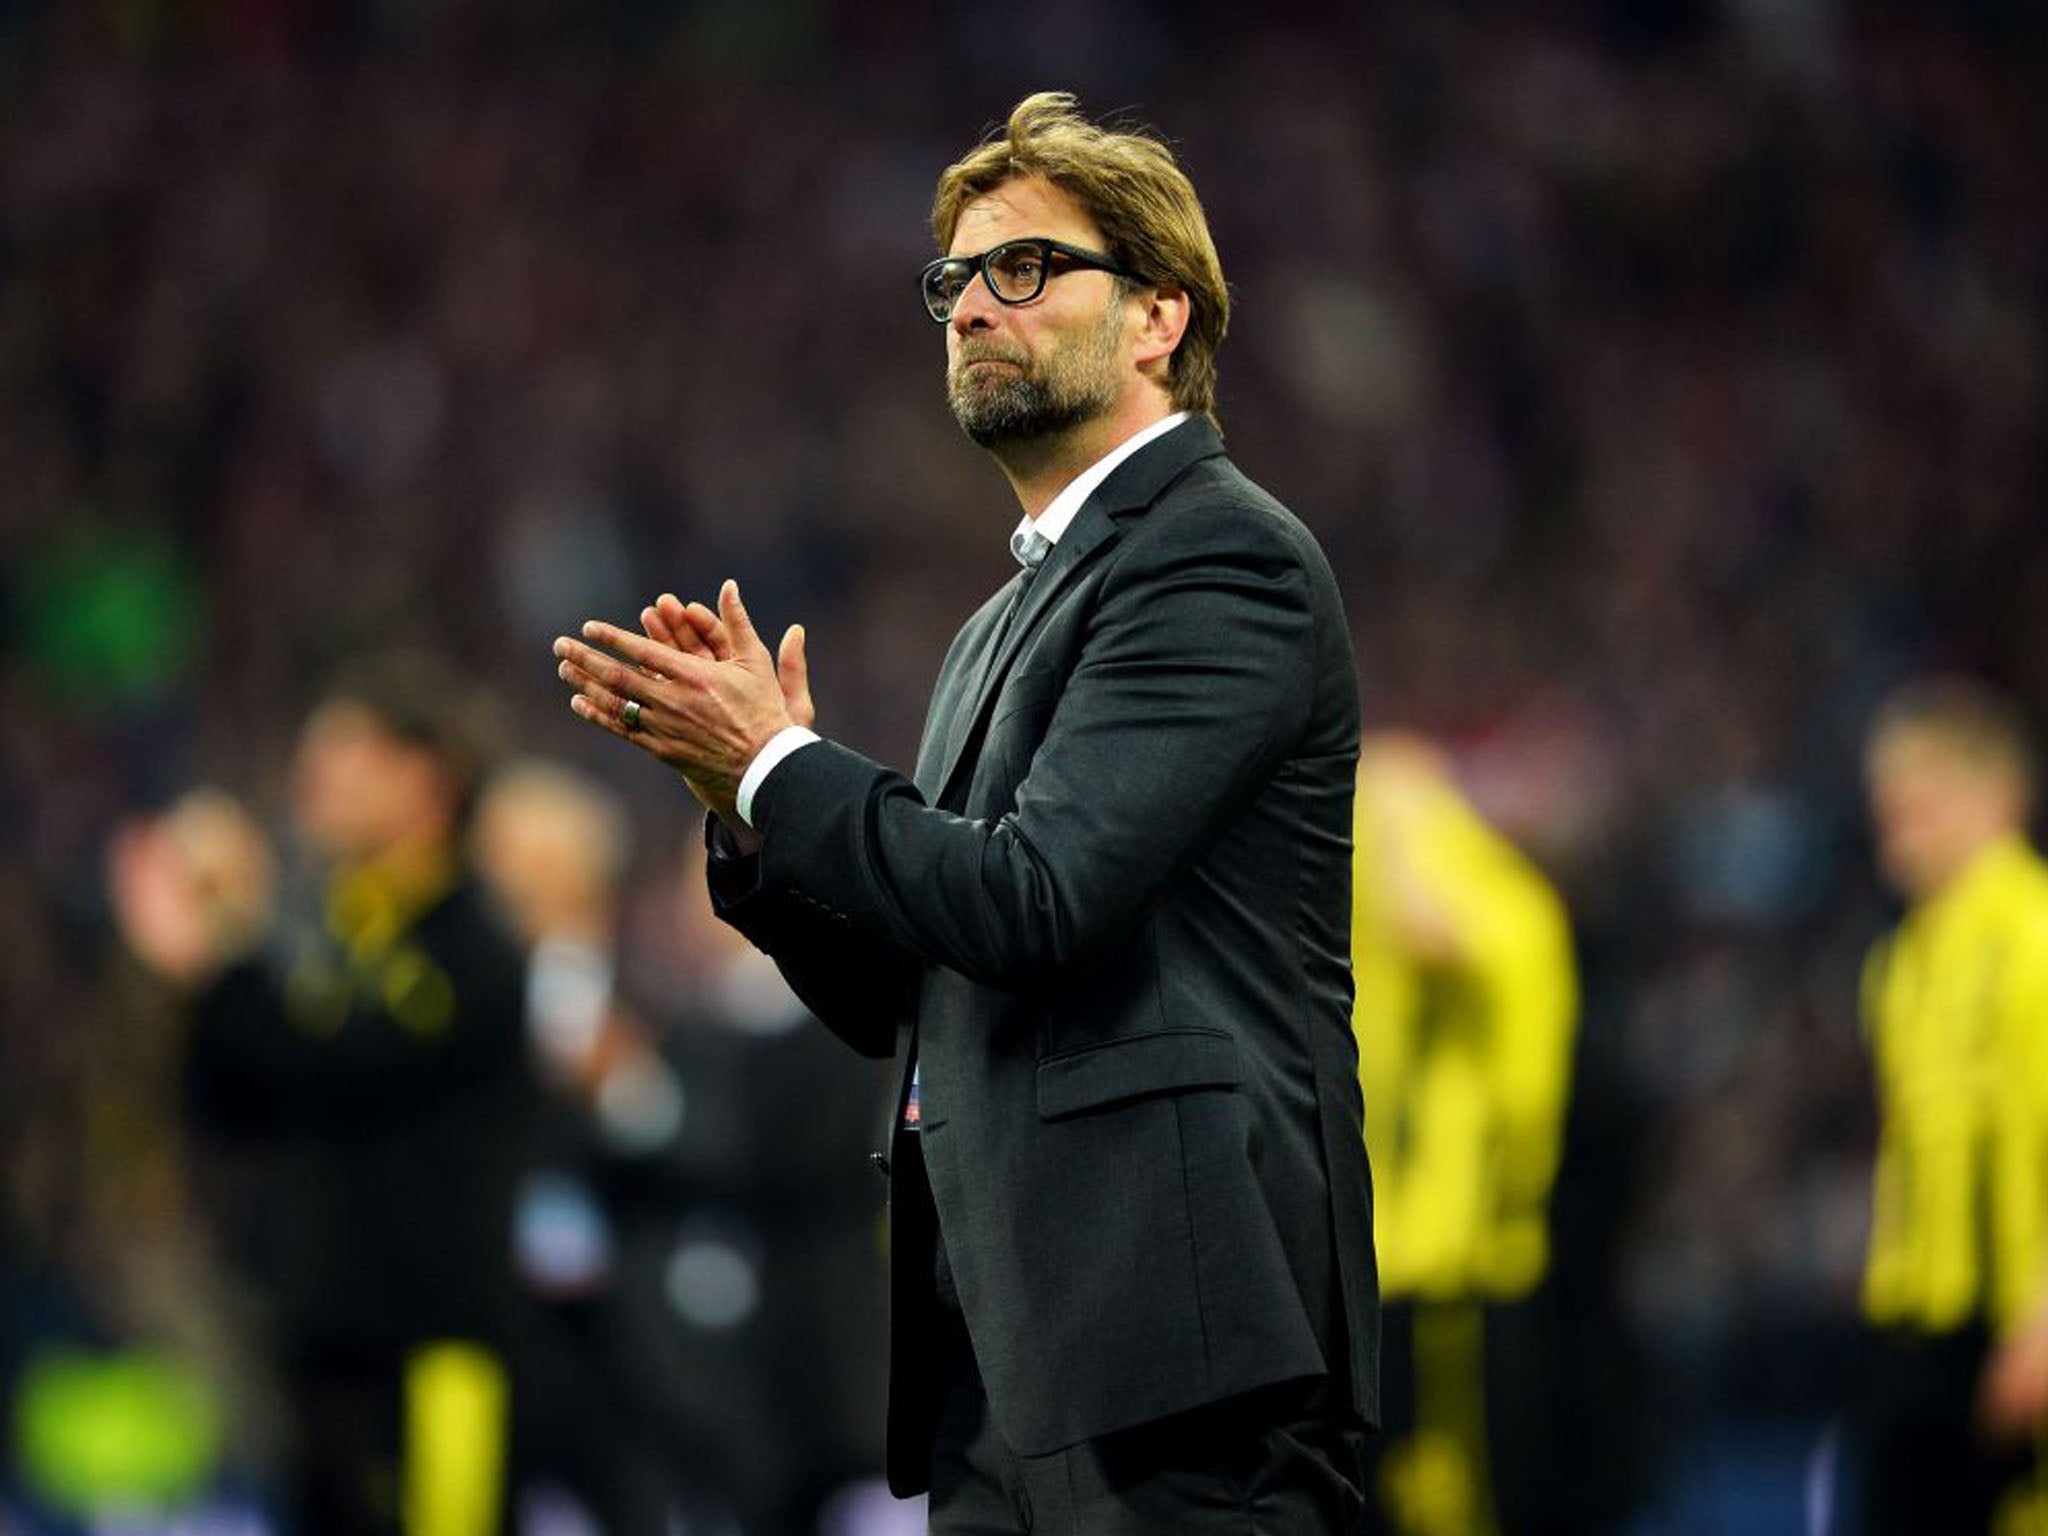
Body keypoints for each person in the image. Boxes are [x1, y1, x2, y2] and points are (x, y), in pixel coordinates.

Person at [551, 91, 1378, 1532]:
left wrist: (779, 770)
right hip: (1008, 1355)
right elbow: (913, 991)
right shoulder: (997, 625)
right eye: (951, 281)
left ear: (1157, 317)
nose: (971, 308)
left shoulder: (1221, 558)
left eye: (1025, 267)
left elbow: (1037, 899)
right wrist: (747, 812)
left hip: (1180, 1352)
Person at [109, 653, 535, 1536]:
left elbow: (340, 1067)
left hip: (433, 1364)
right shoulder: (335, 939)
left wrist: (223, 958)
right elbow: (236, 1105)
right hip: (322, 1353)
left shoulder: (472, 948)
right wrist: (201, 974)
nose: (312, 780)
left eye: (344, 757)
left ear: (427, 780)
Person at [1348, 736, 1576, 1536]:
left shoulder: (1496, 909)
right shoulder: (1381, 937)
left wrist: (1404, 836)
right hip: (1393, 1258)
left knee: (1459, 1481)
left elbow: (1433, 930)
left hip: (1466, 1260)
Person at [1854, 678, 2048, 1534]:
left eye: (1921, 803)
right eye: (1888, 805)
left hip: (2013, 1324)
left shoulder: (2033, 937)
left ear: (1998, 795)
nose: (1897, 827)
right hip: (1919, 1328)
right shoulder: (1903, 960)